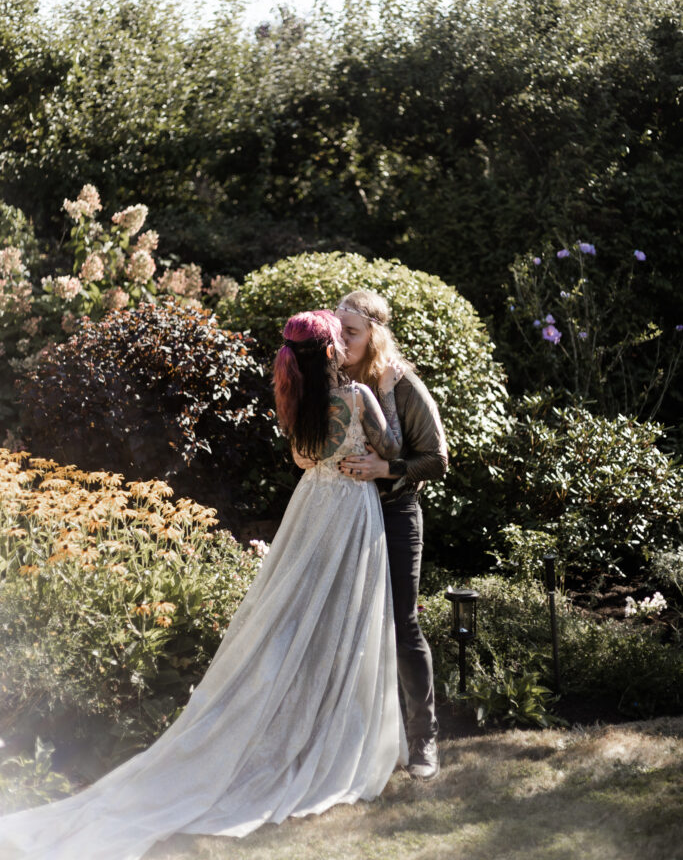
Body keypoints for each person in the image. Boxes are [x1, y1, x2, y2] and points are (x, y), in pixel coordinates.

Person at [0, 311, 408, 860]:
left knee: (298, 617)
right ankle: (334, 736)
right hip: (353, 512)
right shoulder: (358, 397)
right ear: (332, 352)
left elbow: (306, 460)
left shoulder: (295, 406)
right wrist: (385, 394)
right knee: (345, 619)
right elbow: (392, 448)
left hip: (311, 512)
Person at [295, 291, 448, 781]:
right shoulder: (335, 381)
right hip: (343, 519)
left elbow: (438, 460)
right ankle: (349, 740)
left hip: (396, 514)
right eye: (337, 331)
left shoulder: (403, 385)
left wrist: (387, 467)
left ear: (375, 335)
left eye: (352, 332)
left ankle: (423, 742)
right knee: (342, 625)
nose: (342, 340)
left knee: (403, 626)